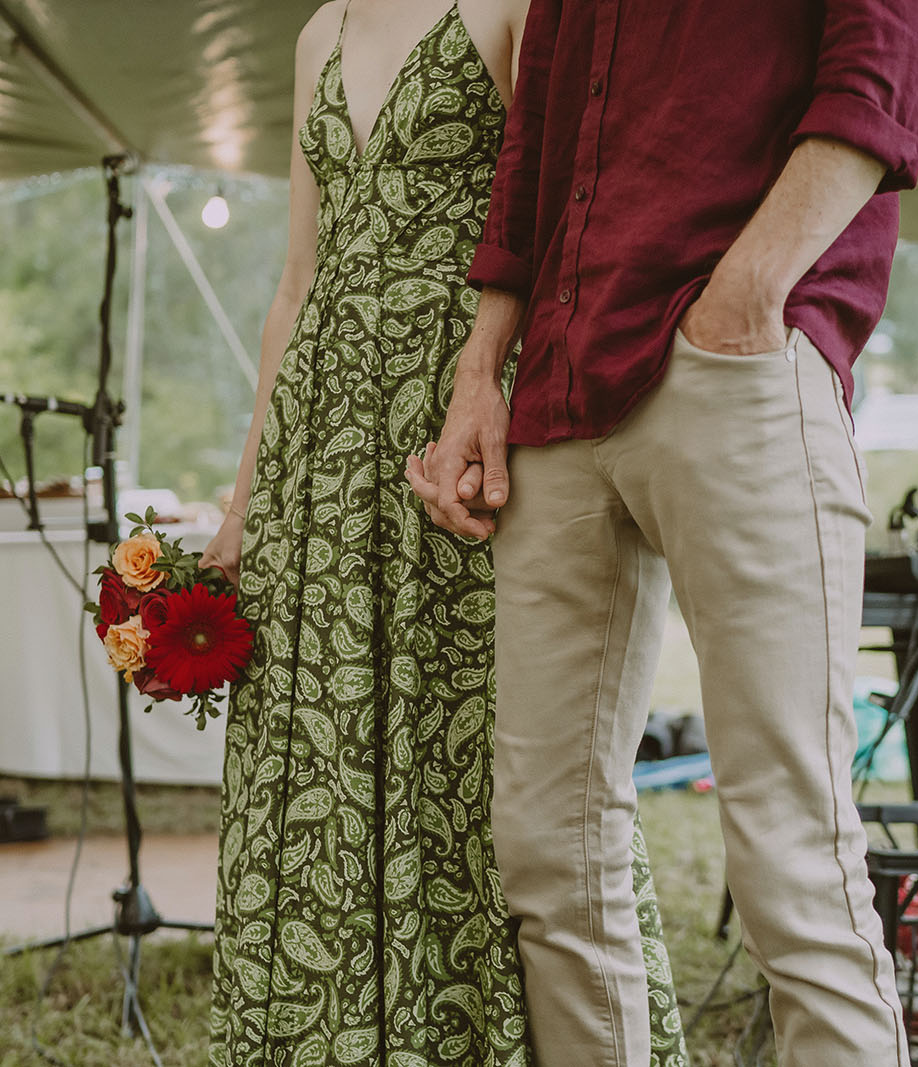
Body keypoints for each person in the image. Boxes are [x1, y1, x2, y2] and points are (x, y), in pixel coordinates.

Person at [407, 2, 918, 1065]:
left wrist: (748, 292)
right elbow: (532, 143)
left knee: (791, 852)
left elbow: (898, 53)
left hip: (732, 360)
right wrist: (481, 371)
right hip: (560, 386)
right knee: (547, 853)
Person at [199, 1, 686, 1064]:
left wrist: (501, 392)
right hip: (319, 444)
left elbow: (554, 217)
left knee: (467, 740)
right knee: (325, 746)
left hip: (456, 417)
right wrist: (244, 506)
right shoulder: (319, 33)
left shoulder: (507, 6)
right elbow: (296, 280)